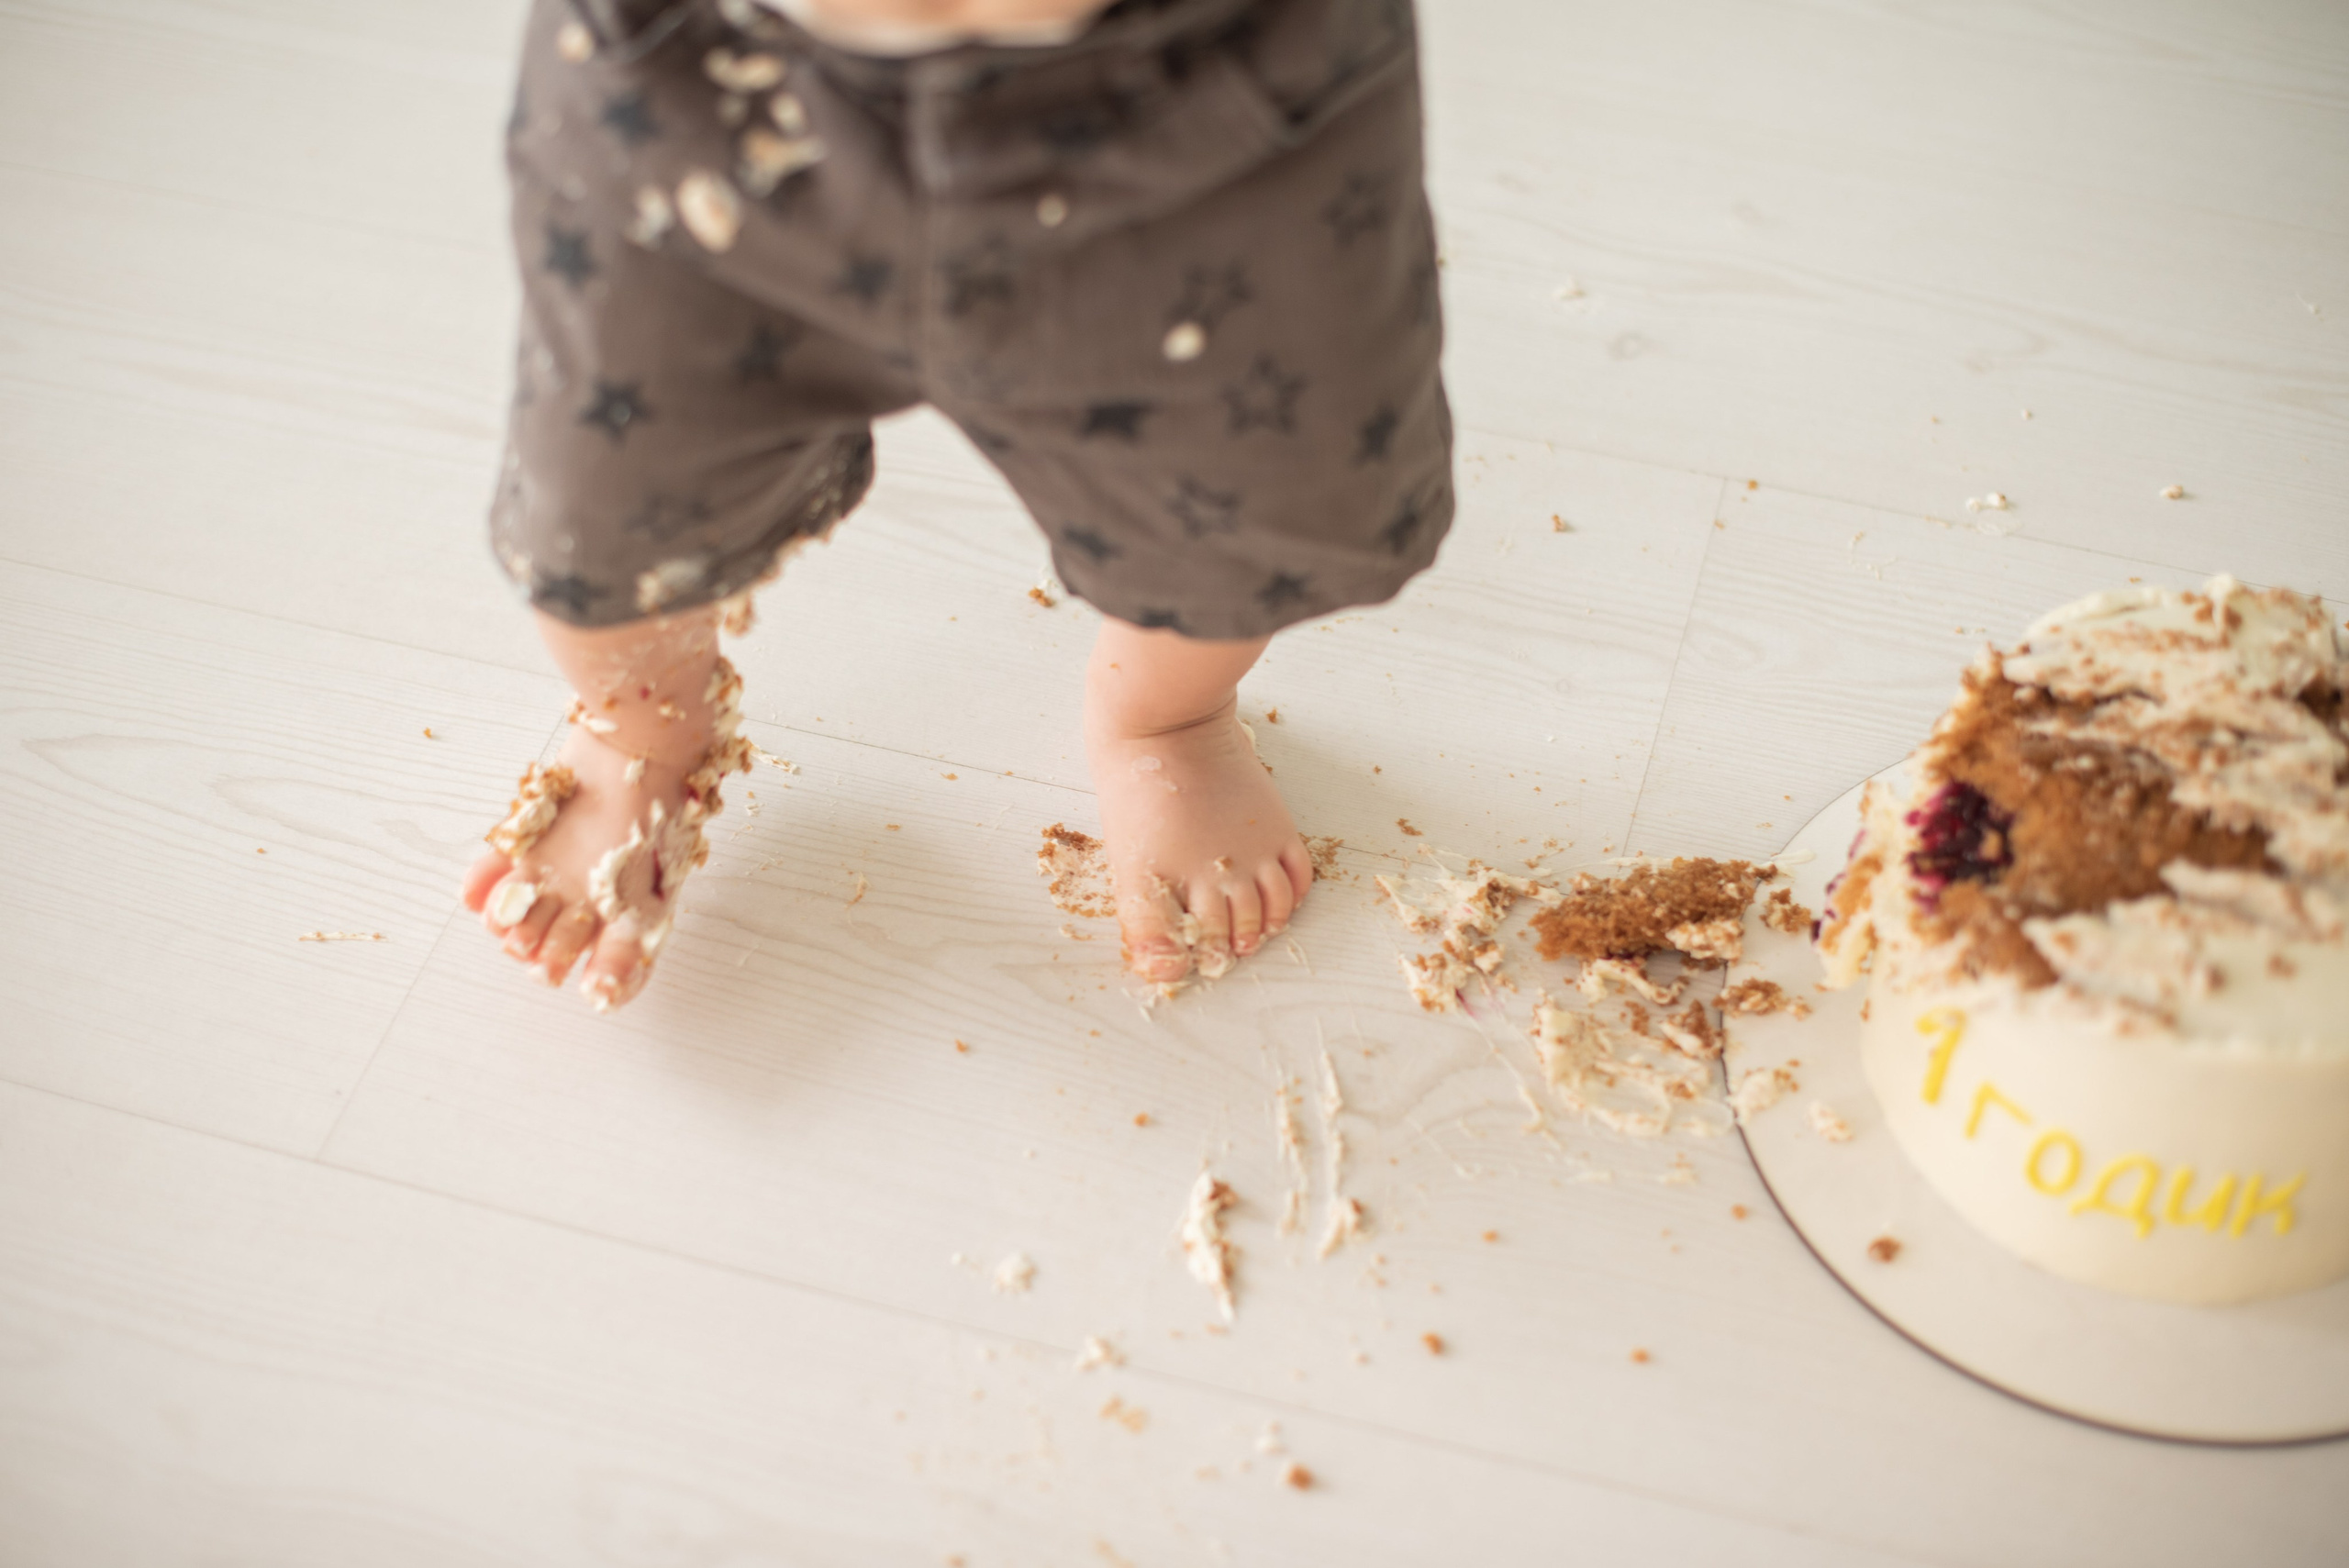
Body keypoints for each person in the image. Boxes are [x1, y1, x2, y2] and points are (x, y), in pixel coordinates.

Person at [463, 0, 1454, 1009]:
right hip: (697, 89)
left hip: (1206, 100)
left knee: (1257, 517)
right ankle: (646, 726)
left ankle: (1167, 719)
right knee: (599, 519)